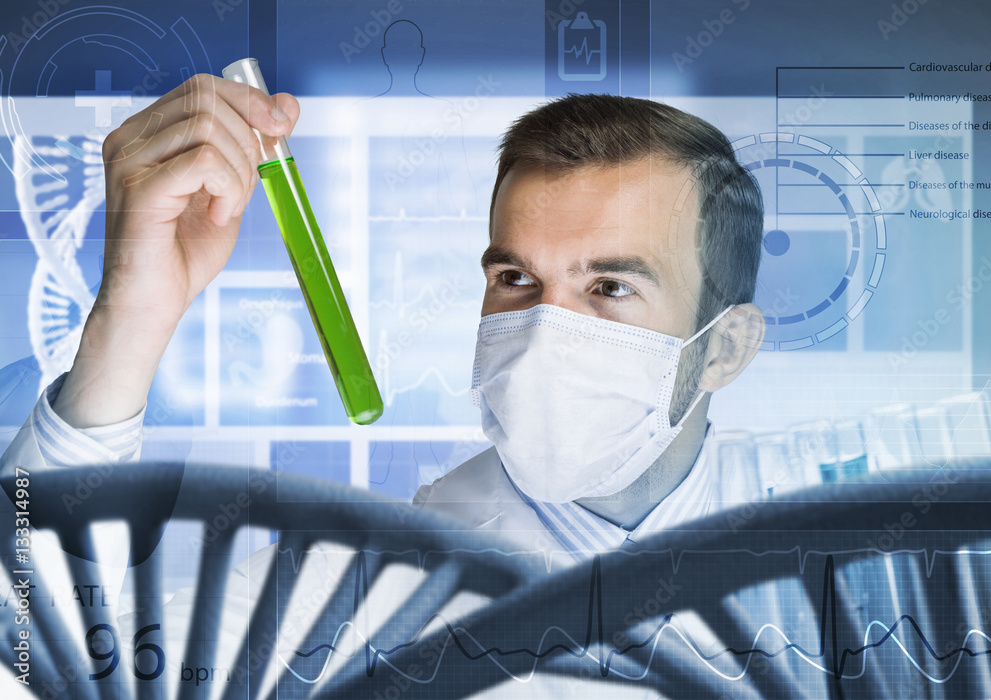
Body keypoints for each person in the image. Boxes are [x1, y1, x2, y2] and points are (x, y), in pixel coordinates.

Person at [0, 75, 765, 565]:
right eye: (515, 278)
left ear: (725, 349)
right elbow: (28, 655)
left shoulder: (840, 554)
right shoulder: (360, 584)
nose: (544, 334)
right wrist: (126, 324)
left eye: (610, 287)